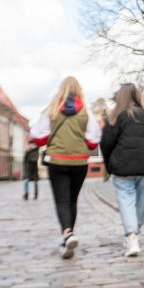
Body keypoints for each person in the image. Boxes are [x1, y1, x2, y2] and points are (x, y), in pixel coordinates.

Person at [30, 76, 101, 259]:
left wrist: (54, 136)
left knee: (61, 201)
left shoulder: (52, 110)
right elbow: (94, 140)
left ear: (61, 90)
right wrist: (79, 139)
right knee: (72, 201)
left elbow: (37, 135)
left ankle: (67, 234)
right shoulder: (86, 111)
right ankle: (68, 236)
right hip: (79, 162)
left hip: (57, 161)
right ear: (79, 90)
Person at [101, 83, 144, 257]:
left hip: (122, 167)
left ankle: (131, 236)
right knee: (140, 204)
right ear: (137, 96)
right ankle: (133, 234)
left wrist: (109, 166)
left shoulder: (115, 117)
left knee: (126, 202)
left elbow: (106, 143)